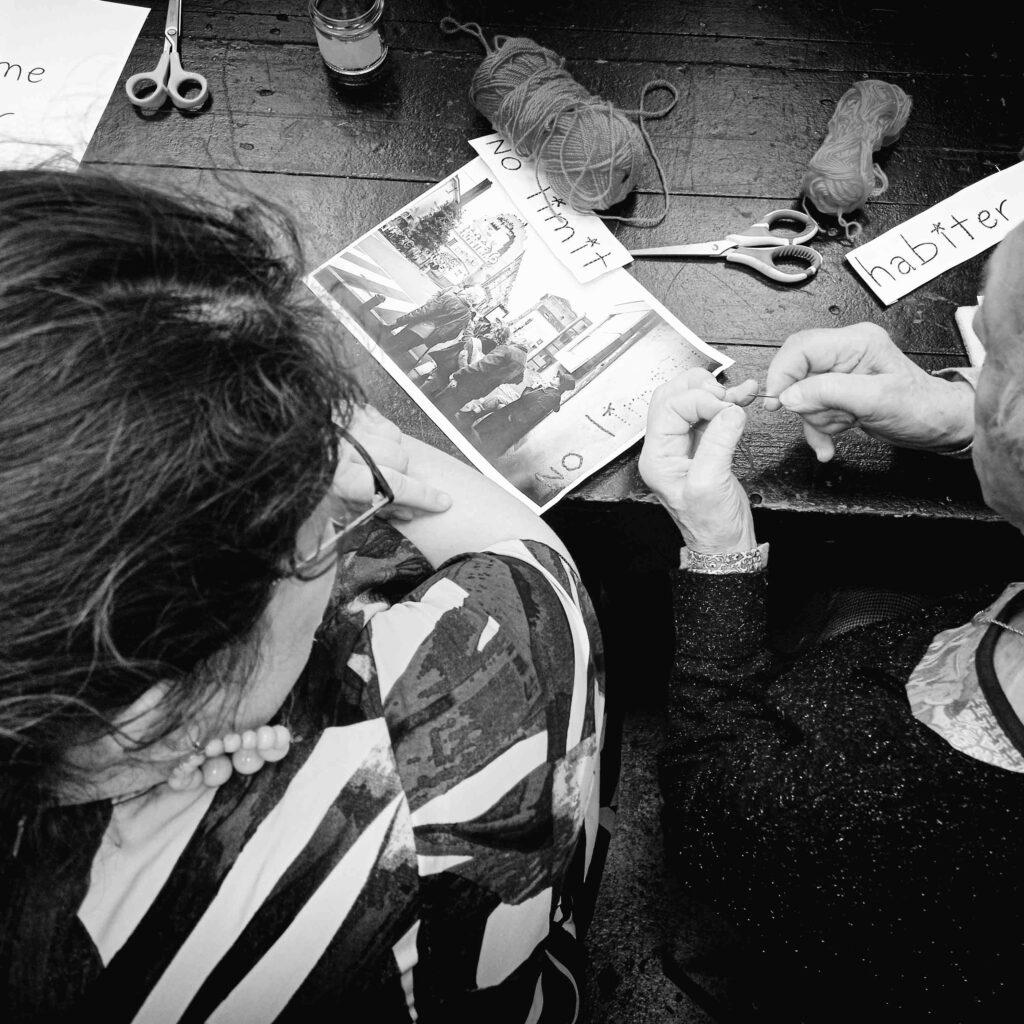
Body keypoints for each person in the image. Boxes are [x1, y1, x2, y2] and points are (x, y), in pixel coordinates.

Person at [0, 170, 607, 1023]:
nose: (336, 499)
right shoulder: (423, 747)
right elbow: (532, 575)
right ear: (160, 702)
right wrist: (386, 452)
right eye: (319, 524)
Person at [638, 220, 1024, 1020]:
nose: (973, 370)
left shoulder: (892, 810)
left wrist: (719, 552)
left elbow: (714, 809)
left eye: (986, 355)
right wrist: (959, 415)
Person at [472, 371, 577, 458]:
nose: (555, 377)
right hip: (510, 417)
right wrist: (532, 387)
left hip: (510, 424)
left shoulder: (552, 397)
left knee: (483, 442)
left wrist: (512, 418)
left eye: (558, 378)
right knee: (482, 438)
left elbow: (533, 414)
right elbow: (524, 399)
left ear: (561, 384)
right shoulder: (550, 391)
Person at [435, 337, 530, 421]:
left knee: (440, 403)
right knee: (451, 409)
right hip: (483, 390)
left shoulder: (507, 349)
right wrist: (499, 379)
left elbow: (481, 366)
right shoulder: (523, 364)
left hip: (468, 382)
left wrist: (458, 374)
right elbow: (517, 380)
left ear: (517, 342)